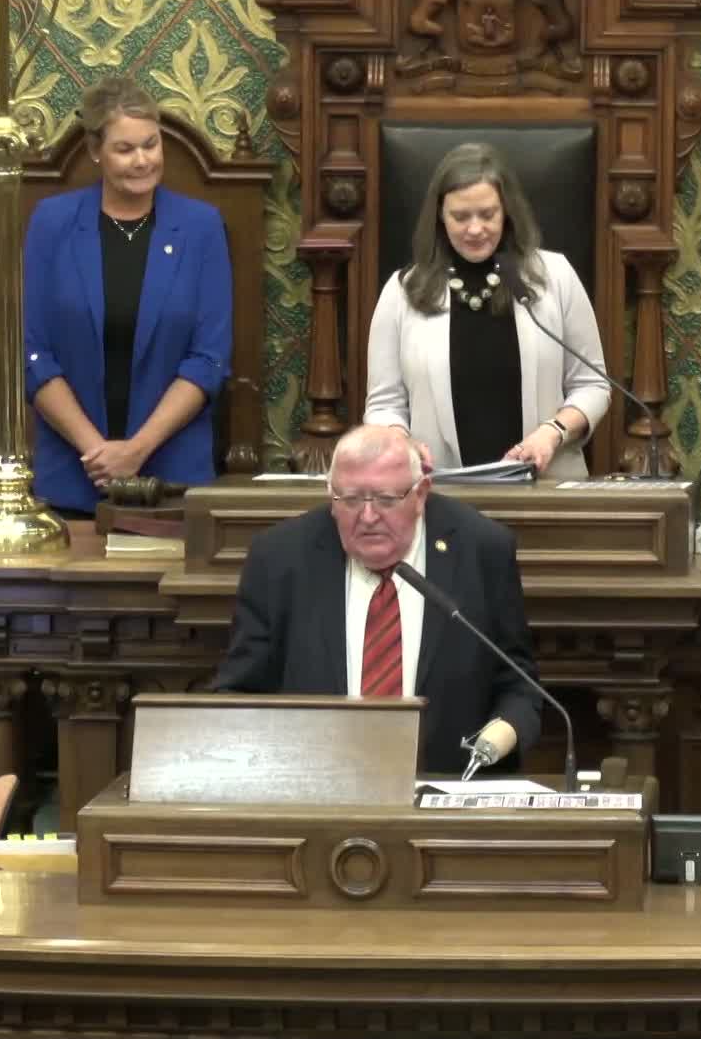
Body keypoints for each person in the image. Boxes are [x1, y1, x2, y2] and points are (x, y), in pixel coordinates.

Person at [215, 425, 543, 773]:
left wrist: (497, 738)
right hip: (315, 786)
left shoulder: (481, 549)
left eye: (386, 500)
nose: (368, 517)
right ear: (331, 496)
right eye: (351, 500)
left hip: (449, 785)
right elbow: (239, 694)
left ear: (420, 494)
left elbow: (518, 686)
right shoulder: (280, 558)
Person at [23, 75, 233, 518]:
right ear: (95, 151)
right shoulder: (52, 222)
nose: (142, 160)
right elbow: (34, 354)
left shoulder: (201, 227)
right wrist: (98, 454)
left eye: (151, 145)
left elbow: (208, 358)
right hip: (74, 477)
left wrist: (136, 450)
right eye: (125, 149)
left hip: (171, 479)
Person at [365, 142, 609, 479]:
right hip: (438, 491)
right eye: (460, 216)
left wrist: (552, 432)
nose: (475, 229)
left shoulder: (556, 277)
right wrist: (400, 442)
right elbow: (384, 405)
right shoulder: (402, 291)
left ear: (506, 211)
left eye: (487, 214)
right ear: (439, 216)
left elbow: (592, 385)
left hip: (545, 487)